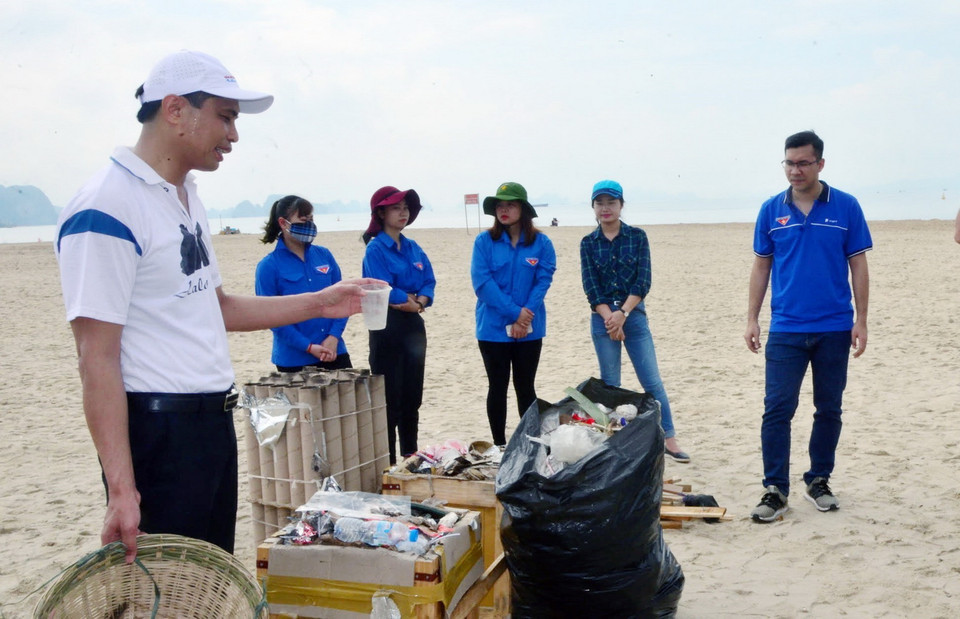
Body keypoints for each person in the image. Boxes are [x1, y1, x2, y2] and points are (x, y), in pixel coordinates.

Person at [53, 50, 378, 561]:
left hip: (212, 423)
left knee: (210, 579)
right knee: (167, 587)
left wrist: (322, 300)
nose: (234, 135)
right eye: (226, 116)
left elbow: (217, 308)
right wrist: (121, 488)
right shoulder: (106, 206)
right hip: (158, 432)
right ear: (177, 110)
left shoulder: (185, 196)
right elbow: (95, 357)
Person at [745, 130, 871, 523]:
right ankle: (774, 488)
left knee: (828, 408)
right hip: (786, 328)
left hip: (835, 326)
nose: (794, 170)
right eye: (789, 162)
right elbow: (762, 264)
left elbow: (858, 265)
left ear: (820, 163)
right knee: (777, 409)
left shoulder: (846, 207)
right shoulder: (771, 209)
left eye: (802, 162)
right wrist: (752, 317)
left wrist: (861, 320)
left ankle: (819, 480)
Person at [580, 180, 690, 463]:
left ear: (621, 205)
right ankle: (612, 439)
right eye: (600, 203)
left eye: (611, 203)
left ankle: (670, 438)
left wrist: (623, 314)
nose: (606, 208)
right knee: (610, 384)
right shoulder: (588, 243)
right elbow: (591, 287)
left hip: (633, 316)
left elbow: (643, 281)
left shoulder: (637, 237)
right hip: (603, 320)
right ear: (593, 207)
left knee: (652, 381)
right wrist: (610, 319)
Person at [471, 182, 556, 446]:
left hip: (530, 329)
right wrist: (514, 315)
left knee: (525, 387)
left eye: (510, 205)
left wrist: (526, 316)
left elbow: (543, 280)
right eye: (500, 205)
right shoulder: (484, 241)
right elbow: (482, 284)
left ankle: (530, 443)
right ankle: (499, 444)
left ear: (524, 209)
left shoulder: (541, 243)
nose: (504, 210)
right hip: (493, 329)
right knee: (497, 387)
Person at [361, 186, 436, 464]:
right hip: (387, 327)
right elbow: (382, 289)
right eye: (396, 207)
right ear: (381, 213)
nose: (403, 212)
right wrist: (410, 299)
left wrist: (420, 302)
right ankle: (388, 460)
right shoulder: (375, 249)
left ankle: (410, 454)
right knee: (389, 399)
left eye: (406, 207)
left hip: (414, 325)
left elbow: (429, 280)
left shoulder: (413, 247)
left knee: (412, 395)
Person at [256, 195, 352, 372]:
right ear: (283, 223)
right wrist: (308, 346)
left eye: (311, 219)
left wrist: (333, 337)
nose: (308, 224)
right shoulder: (268, 266)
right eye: (302, 220)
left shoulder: (324, 255)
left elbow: (343, 299)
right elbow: (271, 317)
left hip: (334, 351)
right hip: (293, 359)